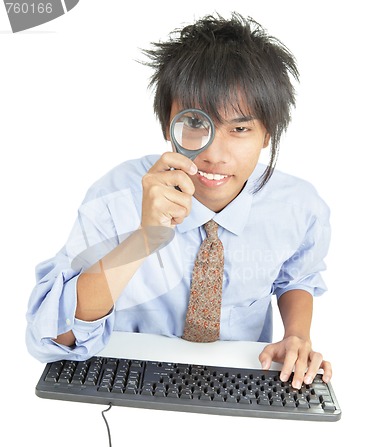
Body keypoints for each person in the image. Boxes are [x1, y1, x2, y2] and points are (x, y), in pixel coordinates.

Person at [26, 12, 332, 389]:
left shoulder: (298, 206)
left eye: (239, 129)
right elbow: (52, 338)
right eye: (195, 123)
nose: (214, 155)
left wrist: (296, 334)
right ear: (166, 124)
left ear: (268, 134)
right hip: (130, 385)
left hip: (237, 387)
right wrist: (144, 238)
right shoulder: (115, 196)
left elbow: (296, 276)